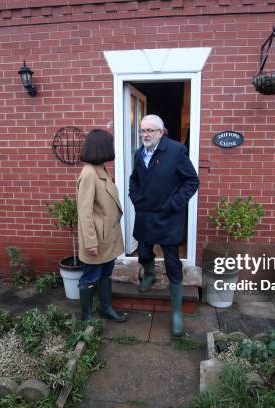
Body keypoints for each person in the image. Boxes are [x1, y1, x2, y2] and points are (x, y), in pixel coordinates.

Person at [129, 114, 199, 336]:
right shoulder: (139, 153)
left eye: (150, 130)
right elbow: (135, 179)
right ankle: (149, 275)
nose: (145, 134)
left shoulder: (177, 151)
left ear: (161, 132)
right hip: (145, 214)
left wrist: (175, 203)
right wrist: (135, 197)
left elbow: (191, 180)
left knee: (172, 262)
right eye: (142, 130)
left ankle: (176, 313)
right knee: (143, 250)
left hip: (168, 216)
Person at [77, 129, 126, 322]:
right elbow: (84, 211)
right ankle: (86, 317)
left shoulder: (100, 168)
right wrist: (90, 242)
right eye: (110, 144)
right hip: (96, 238)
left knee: (106, 274)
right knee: (90, 277)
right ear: (102, 148)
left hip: (107, 236)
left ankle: (106, 309)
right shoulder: (89, 173)